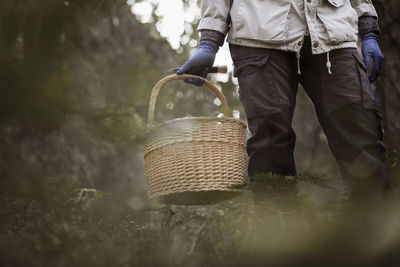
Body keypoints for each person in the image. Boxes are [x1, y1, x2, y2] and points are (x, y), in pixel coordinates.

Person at [177, 0, 392, 196]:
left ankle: (377, 229)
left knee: (361, 131)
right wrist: (209, 40)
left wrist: (367, 27)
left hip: (333, 33)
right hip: (257, 33)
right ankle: (278, 234)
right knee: (269, 145)